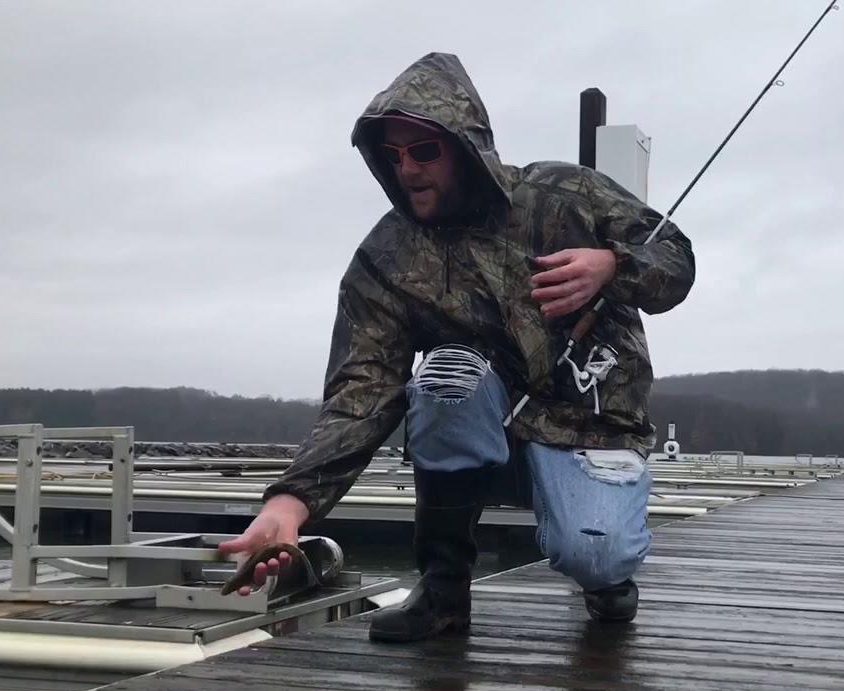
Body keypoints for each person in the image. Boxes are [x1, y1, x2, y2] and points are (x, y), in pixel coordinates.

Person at [217, 51, 695, 642]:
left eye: (423, 151)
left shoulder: (564, 192)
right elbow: (361, 388)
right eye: (392, 155)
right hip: (475, 427)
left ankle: (606, 581)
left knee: (593, 554)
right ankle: (444, 592)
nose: (408, 169)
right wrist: (290, 504)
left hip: (587, 422)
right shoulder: (384, 259)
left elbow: (676, 259)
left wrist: (612, 265)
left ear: (467, 146)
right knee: (446, 376)